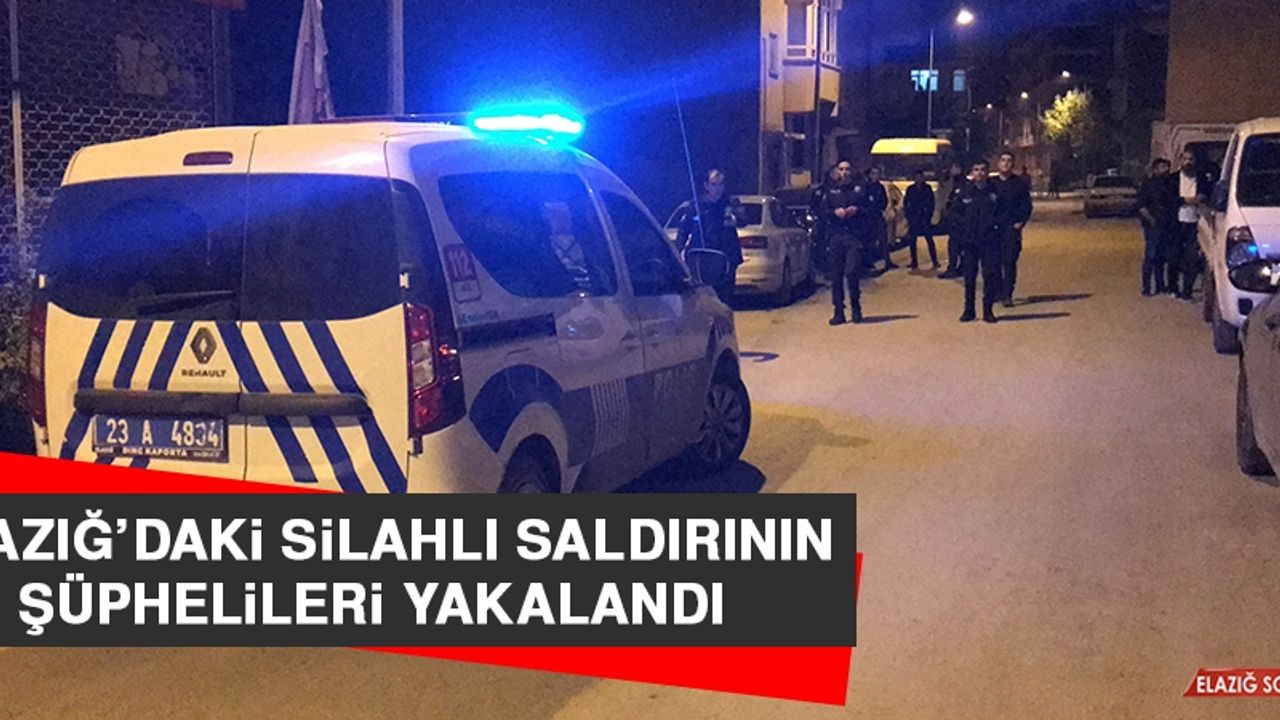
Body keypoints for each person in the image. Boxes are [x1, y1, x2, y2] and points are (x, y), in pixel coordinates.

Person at [677, 169, 743, 304]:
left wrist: (735, 218)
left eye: (721, 184)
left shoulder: (731, 203)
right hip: (701, 259)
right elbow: (684, 230)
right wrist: (677, 252)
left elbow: (744, 219)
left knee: (724, 301)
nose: (718, 188)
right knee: (701, 301)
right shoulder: (696, 205)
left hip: (725, 259)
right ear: (706, 186)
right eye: (714, 184)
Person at [948, 159, 1002, 323]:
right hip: (970, 242)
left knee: (989, 276)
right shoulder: (964, 191)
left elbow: (1003, 212)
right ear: (972, 172)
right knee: (969, 277)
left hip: (989, 241)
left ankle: (988, 311)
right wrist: (964, 227)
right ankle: (969, 310)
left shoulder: (995, 191)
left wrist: (995, 226)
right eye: (976, 170)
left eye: (983, 169)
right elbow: (954, 212)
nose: (979, 173)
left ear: (987, 172)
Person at [820, 160, 869, 325]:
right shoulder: (830, 190)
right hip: (835, 236)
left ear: (851, 171)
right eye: (841, 169)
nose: (844, 172)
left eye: (847, 169)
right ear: (837, 172)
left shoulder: (859, 189)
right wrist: (834, 212)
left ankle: (856, 307)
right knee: (836, 277)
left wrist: (857, 210)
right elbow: (822, 211)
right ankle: (839, 312)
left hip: (853, 237)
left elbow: (870, 210)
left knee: (851, 272)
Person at [1169, 151, 1213, 301]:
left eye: (1191, 159)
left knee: (1192, 259)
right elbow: (1167, 198)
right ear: (1180, 161)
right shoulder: (1173, 179)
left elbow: (1209, 193)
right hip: (1177, 224)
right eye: (1186, 159)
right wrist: (1184, 200)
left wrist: (1201, 197)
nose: (1188, 162)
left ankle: (1187, 290)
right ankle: (1173, 287)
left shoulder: (1202, 178)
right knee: (1174, 257)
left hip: (1195, 223)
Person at [991, 150, 1034, 307]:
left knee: (1009, 262)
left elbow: (1026, 205)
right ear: (998, 163)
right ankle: (998, 291)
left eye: (1009, 161)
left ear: (1013, 164)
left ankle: (1007, 294)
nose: (1006, 163)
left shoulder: (1019, 184)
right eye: (1003, 160)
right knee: (994, 263)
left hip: (1011, 229)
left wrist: (1021, 222)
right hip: (993, 229)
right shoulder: (991, 184)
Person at [1134, 158, 1177, 296]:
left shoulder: (1171, 184)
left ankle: (1160, 285)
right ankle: (1146, 287)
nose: (1166, 170)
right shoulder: (1148, 185)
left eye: (1167, 167)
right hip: (1153, 225)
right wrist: (1151, 220)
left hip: (1168, 224)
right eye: (1162, 167)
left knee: (1162, 256)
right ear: (1155, 169)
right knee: (1151, 256)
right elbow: (1141, 206)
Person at [903, 170, 939, 270]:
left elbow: (931, 202)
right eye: (917, 177)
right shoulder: (910, 189)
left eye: (920, 177)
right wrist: (908, 216)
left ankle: (935, 261)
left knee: (929, 239)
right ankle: (914, 262)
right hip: (914, 218)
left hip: (924, 217)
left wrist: (928, 215)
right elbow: (906, 203)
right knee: (912, 241)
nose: (918, 179)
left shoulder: (927, 188)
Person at [865, 165, 897, 272]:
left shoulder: (880, 187)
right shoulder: (866, 187)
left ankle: (887, 260)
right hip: (869, 217)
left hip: (878, 215)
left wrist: (880, 208)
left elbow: (884, 200)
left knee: (884, 239)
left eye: (877, 173)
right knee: (871, 241)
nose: (876, 176)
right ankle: (870, 262)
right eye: (873, 173)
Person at [938, 162, 967, 279]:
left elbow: (959, 202)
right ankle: (960, 268)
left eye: (954, 168)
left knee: (954, 246)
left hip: (958, 221)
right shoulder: (954, 182)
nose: (951, 170)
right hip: (954, 220)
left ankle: (954, 269)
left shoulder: (962, 184)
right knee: (956, 246)